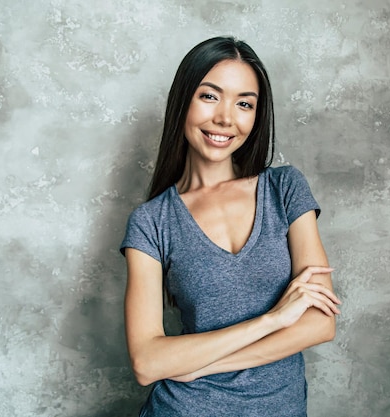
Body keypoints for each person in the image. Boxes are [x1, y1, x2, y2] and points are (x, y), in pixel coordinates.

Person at [120, 36, 341, 417]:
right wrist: (272, 320)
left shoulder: (284, 189)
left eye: (244, 104)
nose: (226, 118)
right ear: (182, 102)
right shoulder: (151, 222)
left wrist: (200, 365)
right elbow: (147, 362)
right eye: (209, 96)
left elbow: (320, 324)